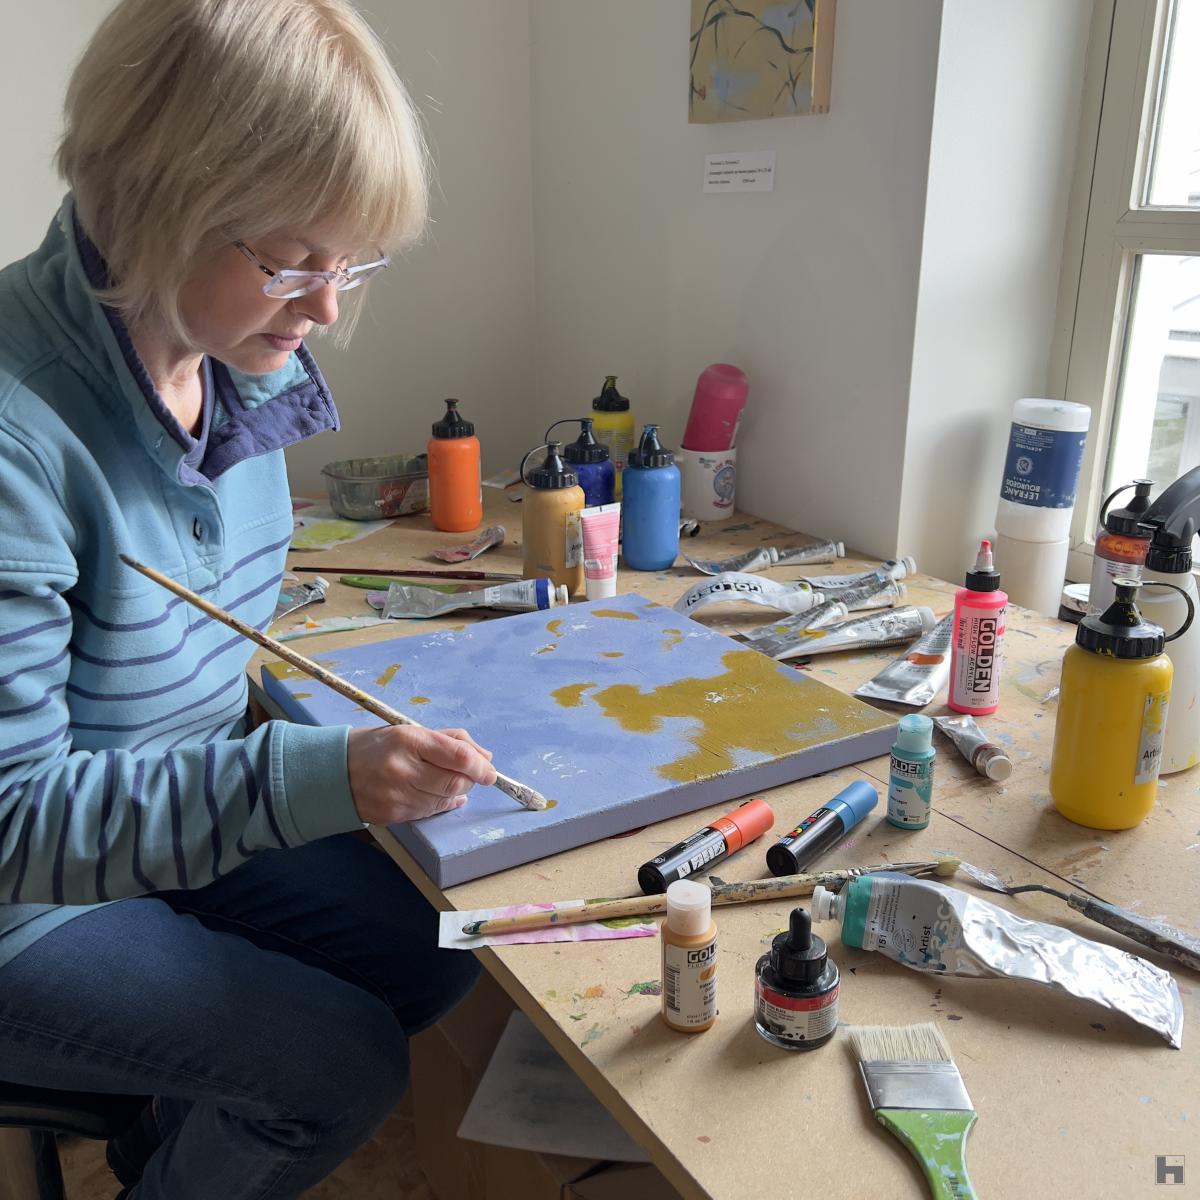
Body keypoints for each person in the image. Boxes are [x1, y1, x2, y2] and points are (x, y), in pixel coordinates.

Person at [0, 1, 497, 1196]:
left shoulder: (236, 362)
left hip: (154, 812)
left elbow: (212, 657)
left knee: (437, 947)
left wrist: (331, 735)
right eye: (291, 262)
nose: (328, 307)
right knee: (336, 1065)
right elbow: (14, 825)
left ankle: (167, 1130)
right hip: (22, 892)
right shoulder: (18, 434)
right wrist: (320, 776)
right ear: (150, 202)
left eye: (352, 262)